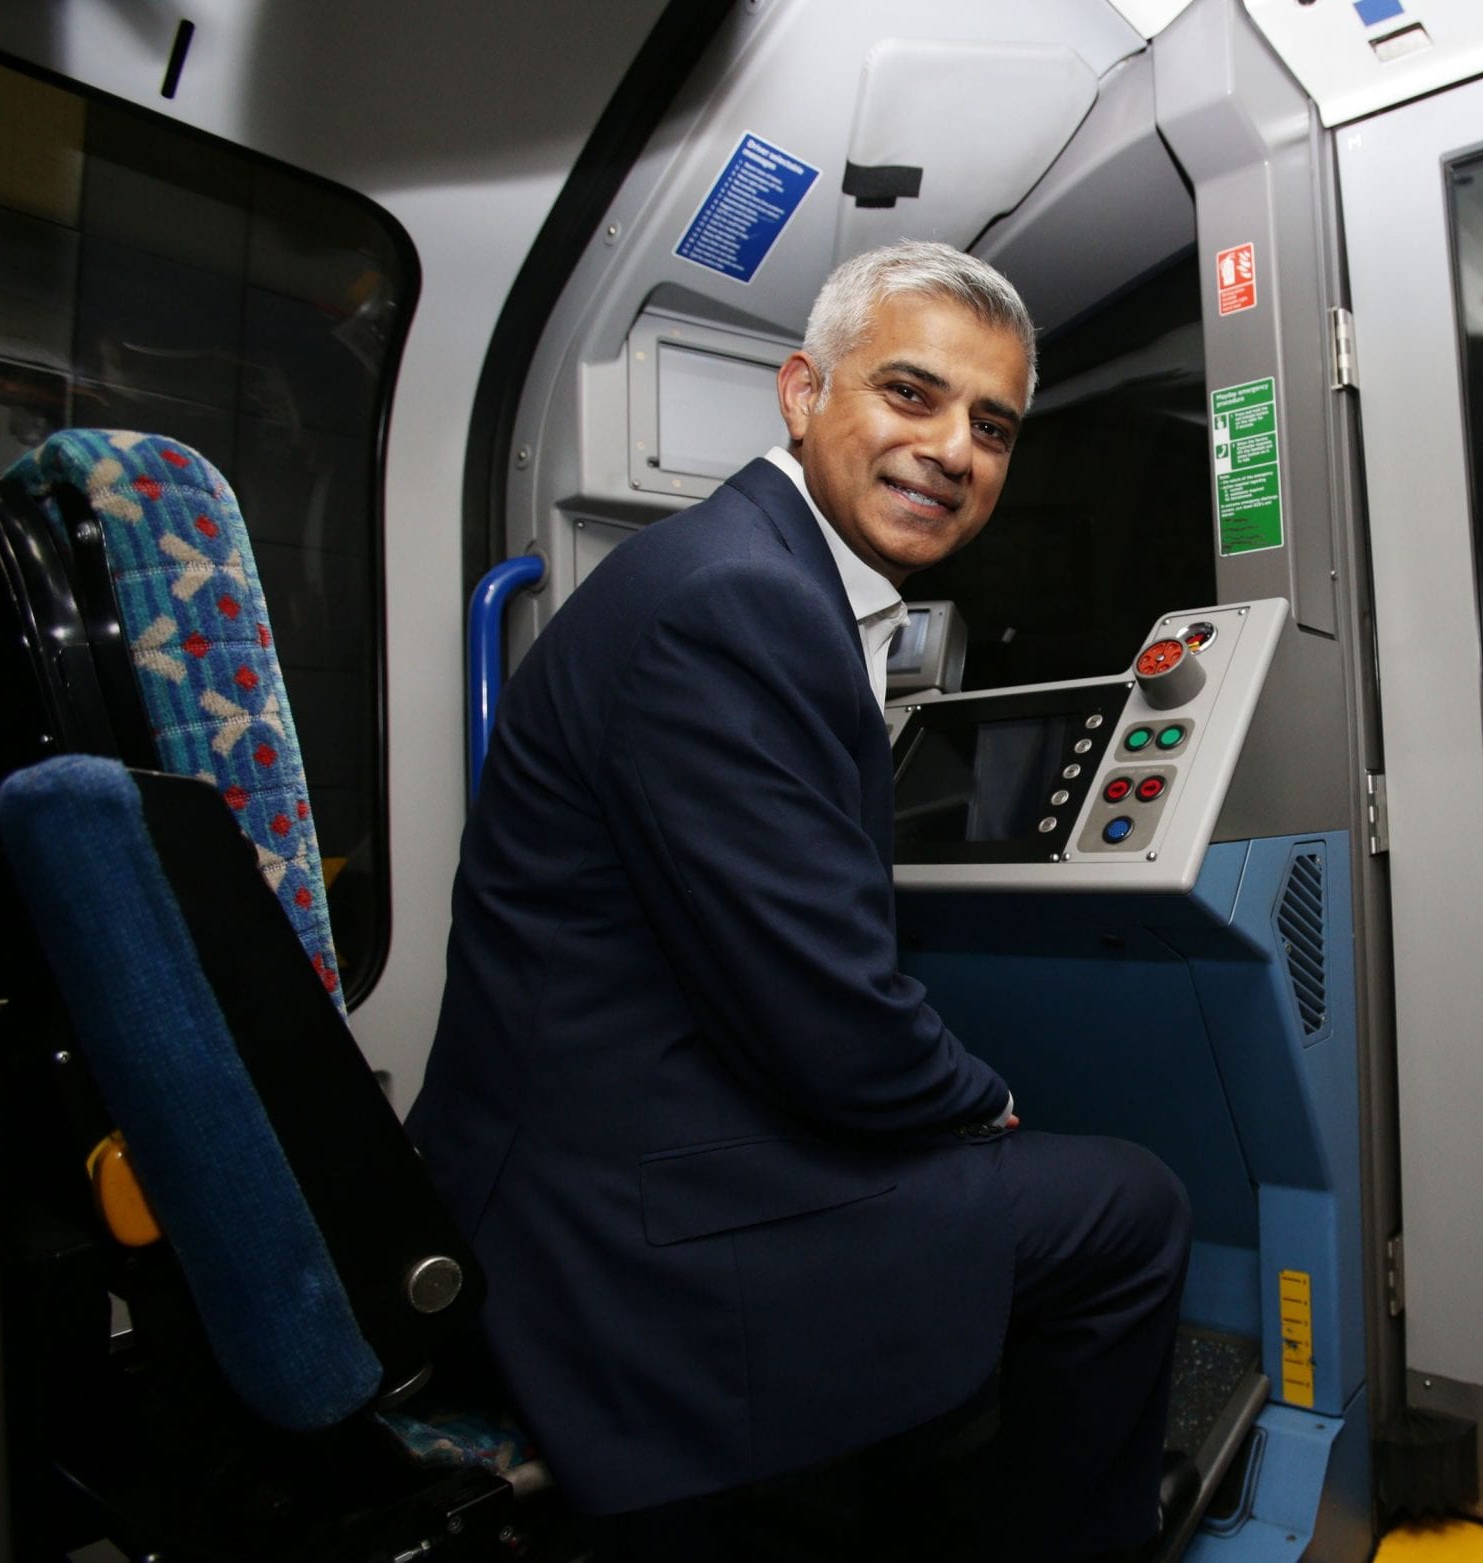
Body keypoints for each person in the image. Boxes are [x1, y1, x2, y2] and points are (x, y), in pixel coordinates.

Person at [407, 242, 1192, 1561]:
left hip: (594, 1147)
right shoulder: (741, 604)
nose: (953, 449)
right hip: (617, 1229)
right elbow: (828, 1021)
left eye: (990, 427)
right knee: (1128, 1207)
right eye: (910, 395)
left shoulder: (741, 576)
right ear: (800, 392)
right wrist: (976, 1103)